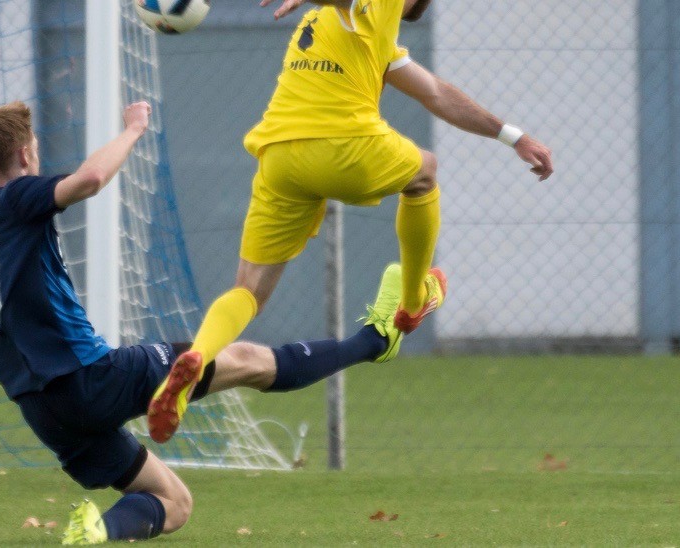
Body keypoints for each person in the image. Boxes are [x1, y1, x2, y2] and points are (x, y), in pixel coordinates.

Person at [0, 100, 411, 544]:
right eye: (35, 148)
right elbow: (89, 179)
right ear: (24, 155)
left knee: (174, 503)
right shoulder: (16, 198)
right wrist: (133, 129)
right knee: (247, 360)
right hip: (89, 377)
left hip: (42, 409)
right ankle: (375, 340)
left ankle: (95, 532)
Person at [147, 0, 554, 444]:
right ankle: (412, 301)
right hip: (343, 148)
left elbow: (436, 93)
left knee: (248, 290)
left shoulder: (369, 34)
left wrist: (512, 136)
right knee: (425, 172)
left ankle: (197, 358)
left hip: (279, 156)